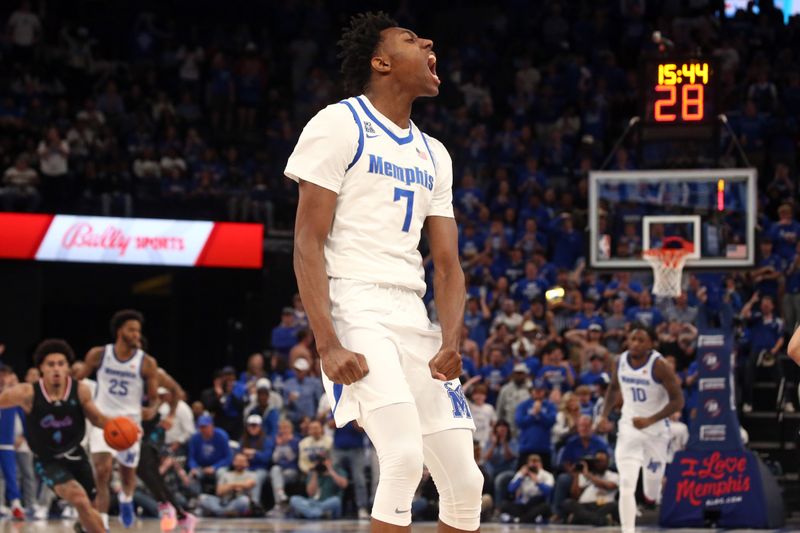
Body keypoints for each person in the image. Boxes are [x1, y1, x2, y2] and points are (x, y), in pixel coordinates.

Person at [286, 11, 482, 532]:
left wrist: (451, 338)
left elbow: (447, 266)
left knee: (466, 483)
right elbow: (307, 241)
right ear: (382, 61)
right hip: (356, 307)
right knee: (401, 459)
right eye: (411, 39)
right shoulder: (338, 123)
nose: (429, 42)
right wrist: (326, 341)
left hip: (412, 314)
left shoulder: (434, 153)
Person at [0, 339, 108, 533]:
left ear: (68, 367)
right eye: (51, 364)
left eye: (61, 364)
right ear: (41, 367)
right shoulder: (27, 392)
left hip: (77, 455)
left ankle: (84, 527)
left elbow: (97, 418)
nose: (56, 369)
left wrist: (121, 426)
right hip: (47, 460)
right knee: (79, 498)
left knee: (91, 508)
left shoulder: (80, 390)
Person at [74, 309, 160, 530]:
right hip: (103, 421)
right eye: (132, 330)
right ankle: (101, 522)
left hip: (130, 424)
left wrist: (152, 409)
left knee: (127, 475)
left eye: (138, 331)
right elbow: (78, 379)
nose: (136, 334)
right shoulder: (99, 354)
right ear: (120, 331)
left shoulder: (147, 362)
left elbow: (154, 398)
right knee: (102, 471)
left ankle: (126, 499)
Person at [597, 325, 684, 533]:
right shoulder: (620, 361)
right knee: (626, 483)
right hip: (629, 428)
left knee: (651, 491)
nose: (635, 343)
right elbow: (613, 389)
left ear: (651, 343)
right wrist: (603, 415)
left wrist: (650, 419)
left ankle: (651, 496)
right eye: (632, 339)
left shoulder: (660, 365)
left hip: (656, 431)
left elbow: (678, 401)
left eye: (640, 340)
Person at [560, 450, 619, 526]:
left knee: (615, 505)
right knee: (568, 502)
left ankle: (580, 518)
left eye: (602, 461)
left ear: (607, 462)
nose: (599, 463)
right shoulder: (585, 475)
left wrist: (588, 475)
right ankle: (599, 520)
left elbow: (609, 486)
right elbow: (575, 495)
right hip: (584, 506)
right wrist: (576, 476)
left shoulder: (613, 475)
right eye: (597, 461)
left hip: (602, 506)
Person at [289, 449, 349, 520]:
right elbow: (310, 493)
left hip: (329, 503)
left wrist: (331, 471)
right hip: (313, 502)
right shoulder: (313, 473)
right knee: (294, 499)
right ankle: (318, 513)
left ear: (329, 460)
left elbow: (344, 485)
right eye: (318, 461)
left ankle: (312, 512)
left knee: (336, 500)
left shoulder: (338, 470)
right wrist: (315, 474)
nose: (321, 463)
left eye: (323, 460)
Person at [498, 453, 553, 524]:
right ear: (527, 464)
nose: (534, 464)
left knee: (545, 507)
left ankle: (518, 520)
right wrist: (521, 477)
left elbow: (548, 491)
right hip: (522, 505)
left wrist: (537, 481)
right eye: (532, 462)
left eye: (536, 461)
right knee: (504, 505)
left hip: (536, 504)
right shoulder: (521, 473)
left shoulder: (547, 475)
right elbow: (511, 489)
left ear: (541, 463)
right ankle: (530, 519)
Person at [198, 452, 257, 517]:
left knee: (244, 500)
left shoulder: (251, 474)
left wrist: (228, 486)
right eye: (238, 461)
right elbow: (219, 492)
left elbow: (248, 485)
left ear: (247, 463)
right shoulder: (226, 474)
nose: (240, 463)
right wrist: (234, 486)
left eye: (242, 461)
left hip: (237, 502)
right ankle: (224, 512)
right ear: (233, 462)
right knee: (202, 498)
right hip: (223, 501)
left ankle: (219, 512)